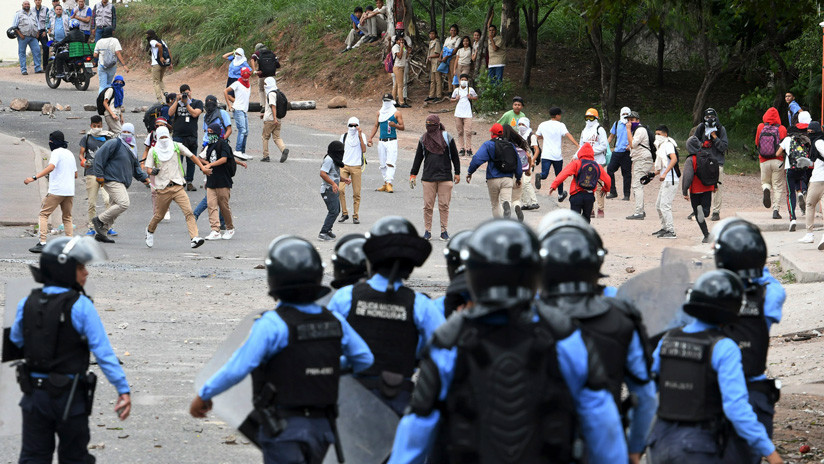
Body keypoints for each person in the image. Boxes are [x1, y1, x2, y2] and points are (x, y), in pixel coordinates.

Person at [388, 219, 627, 463]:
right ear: (535, 270)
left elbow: (418, 426)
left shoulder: (449, 339)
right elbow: (601, 419)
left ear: (473, 272)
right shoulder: (565, 335)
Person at [190, 236, 374, 463]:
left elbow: (238, 367)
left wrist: (205, 394)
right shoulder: (335, 320)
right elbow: (364, 359)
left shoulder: (272, 324)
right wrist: (328, 367)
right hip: (323, 429)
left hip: (284, 429)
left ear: (273, 279)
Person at [537, 210, 656, 463]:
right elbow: (645, 395)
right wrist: (635, 448)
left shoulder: (526, 316)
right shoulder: (621, 317)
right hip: (604, 443)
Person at [7, 236, 131, 463]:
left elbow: (14, 340)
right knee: (74, 457)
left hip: (35, 396)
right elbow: (103, 353)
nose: (86, 273)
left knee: (33, 457)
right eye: (81, 267)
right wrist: (123, 389)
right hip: (69, 397)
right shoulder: (81, 305)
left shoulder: (27, 303)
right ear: (63, 269)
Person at [646, 270, 784, 464]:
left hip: (660, 443)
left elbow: (647, 393)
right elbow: (736, 409)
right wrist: (770, 452)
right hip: (697, 448)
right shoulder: (723, 347)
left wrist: (636, 445)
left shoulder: (667, 340)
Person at [327, 216, 444, 416]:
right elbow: (443, 354)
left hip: (349, 406)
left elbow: (325, 348)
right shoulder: (421, 306)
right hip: (399, 407)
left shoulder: (346, 297)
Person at [713, 219, 785, 462]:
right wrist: (756, 264)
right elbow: (773, 286)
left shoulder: (712, 295)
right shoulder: (770, 295)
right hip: (752, 389)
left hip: (713, 390)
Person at [144, 127, 208, 249]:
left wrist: (203, 168)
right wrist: (153, 171)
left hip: (178, 186)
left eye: (165, 136)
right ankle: (150, 231)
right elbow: (148, 168)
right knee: (159, 215)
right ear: (157, 137)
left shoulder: (176, 146)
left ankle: (194, 238)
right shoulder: (153, 151)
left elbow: (192, 156)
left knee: (189, 212)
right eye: (161, 137)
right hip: (163, 189)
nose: (164, 139)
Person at [91, 123, 150, 244]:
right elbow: (98, 157)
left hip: (122, 181)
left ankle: (102, 233)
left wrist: (145, 179)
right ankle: (99, 220)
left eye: (129, 133)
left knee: (115, 207)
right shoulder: (114, 143)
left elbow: (136, 168)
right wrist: (99, 175)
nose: (126, 134)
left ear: (133, 134)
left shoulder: (132, 148)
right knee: (123, 203)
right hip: (112, 179)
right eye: (125, 132)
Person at [23, 131, 76, 253]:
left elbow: (51, 167)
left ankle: (42, 243)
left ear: (55, 142)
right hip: (69, 191)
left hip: (57, 190)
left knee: (43, 214)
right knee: (67, 217)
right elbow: (75, 174)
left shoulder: (56, 152)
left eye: (51, 141)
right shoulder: (70, 154)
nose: (50, 143)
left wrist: (34, 177)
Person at [410, 114, 461, 240]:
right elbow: (418, 158)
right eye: (427, 125)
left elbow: (455, 156)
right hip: (428, 177)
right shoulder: (423, 139)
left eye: (432, 125)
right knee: (428, 206)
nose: (429, 127)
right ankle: (427, 231)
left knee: (444, 206)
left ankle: (444, 231)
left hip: (445, 177)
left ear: (437, 125)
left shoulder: (447, 137)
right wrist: (413, 174)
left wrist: (457, 173)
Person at [467, 123, 523, 218]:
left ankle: (498, 224)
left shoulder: (488, 145)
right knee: (506, 199)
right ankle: (506, 206)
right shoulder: (510, 145)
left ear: (492, 134)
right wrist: (518, 177)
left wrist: (470, 172)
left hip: (493, 178)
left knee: (495, 204)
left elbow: (477, 159)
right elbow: (518, 162)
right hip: (507, 178)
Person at [549, 143, 610, 223]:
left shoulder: (577, 163)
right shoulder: (597, 166)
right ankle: (585, 234)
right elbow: (608, 180)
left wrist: (554, 186)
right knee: (586, 219)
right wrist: (605, 189)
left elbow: (564, 174)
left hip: (576, 194)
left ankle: (575, 234)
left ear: (580, 152)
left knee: (574, 220)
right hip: (589, 196)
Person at [777, 111, 813, 231]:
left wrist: (785, 153)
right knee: (802, 180)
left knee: (789, 194)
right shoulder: (804, 139)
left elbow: (777, 153)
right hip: (801, 168)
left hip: (789, 168)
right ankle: (801, 192)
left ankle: (792, 218)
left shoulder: (787, 139)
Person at [201, 123, 237, 241]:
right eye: (208, 132)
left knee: (223, 206)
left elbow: (224, 159)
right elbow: (204, 159)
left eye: (211, 132)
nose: (209, 134)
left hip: (223, 180)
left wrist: (210, 164)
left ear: (217, 132)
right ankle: (215, 230)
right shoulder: (209, 146)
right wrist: (206, 166)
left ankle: (230, 228)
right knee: (211, 205)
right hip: (211, 180)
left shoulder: (223, 144)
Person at [535, 107, 579, 202]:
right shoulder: (561, 125)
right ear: (557, 115)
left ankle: (539, 175)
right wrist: (577, 145)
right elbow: (568, 135)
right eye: (560, 115)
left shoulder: (543, 124)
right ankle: (560, 194)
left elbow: (536, 136)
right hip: (557, 156)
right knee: (559, 176)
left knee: (545, 174)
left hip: (546, 155)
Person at [78, 115, 112, 236]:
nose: (97, 128)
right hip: (91, 173)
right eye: (94, 126)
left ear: (102, 125)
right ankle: (92, 227)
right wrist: (83, 161)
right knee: (92, 203)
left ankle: (107, 226)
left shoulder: (107, 137)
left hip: (105, 173)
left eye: (99, 126)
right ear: (91, 125)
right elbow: (81, 154)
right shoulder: (86, 138)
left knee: (108, 200)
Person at [693, 108, 729, 221]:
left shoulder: (721, 129)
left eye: (712, 117)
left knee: (717, 187)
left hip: (717, 162)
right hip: (704, 162)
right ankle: (702, 209)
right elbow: (693, 141)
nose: (710, 119)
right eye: (707, 117)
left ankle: (716, 211)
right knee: (703, 186)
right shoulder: (701, 128)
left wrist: (715, 137)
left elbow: (724, 146)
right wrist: (702, 144)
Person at [682, 135, 717, 243]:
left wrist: (684, 191)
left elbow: (687, 177)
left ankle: (706, 235)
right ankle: (704, 211)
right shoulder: (708, 155)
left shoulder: (690, 159)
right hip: (708, 187)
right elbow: (714, 171)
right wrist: (715, 185)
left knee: (698, 214)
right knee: (705, 211)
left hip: (696, 190)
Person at [169, 84, 204, 190]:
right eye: (184, 93)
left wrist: (186, 103)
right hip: (178, 135)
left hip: (191, 136)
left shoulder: (197, 103)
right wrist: (176, 101)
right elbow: (170, 113)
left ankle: (189, 182)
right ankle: (179, 180)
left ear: (191, 91)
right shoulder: (178, 103)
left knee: (191, 160)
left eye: (187, 92)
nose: (186, 95)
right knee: (177, 160)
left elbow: (194, 114)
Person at [368, 93, 405, 193]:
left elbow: (402, 127)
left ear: (392, 101)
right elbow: (376, 126)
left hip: (391, 141)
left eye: (388, 101)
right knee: (383, 163)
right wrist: (370, 137)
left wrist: (395, 125)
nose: (386, 103)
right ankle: (385, 182)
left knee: (390, 162)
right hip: (381, 141)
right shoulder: (379, 113)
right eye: (385, 101)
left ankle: (389, 183)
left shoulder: (396, 113)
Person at [755, 107, 788, 220]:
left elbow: (756, 143)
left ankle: (766, 189)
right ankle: (775, 211)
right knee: (778, 186)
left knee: (765, 182)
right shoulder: (782, 129)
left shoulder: (760, 127)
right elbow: (784, 147)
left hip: (763, 160)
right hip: (777, 160)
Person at [798, 121, 824, 249]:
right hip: (817, 177)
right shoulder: (819, 141)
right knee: (811, 204)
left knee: (810, 204)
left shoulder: (818, 142)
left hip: (819, 179)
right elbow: (818, 159)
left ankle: (810, 234)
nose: (809, 134)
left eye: (810, 132)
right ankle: (810, 234)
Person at [579, 108, 610, 218]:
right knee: (587, 185)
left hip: (599, 162)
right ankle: (590, 209)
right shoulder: (584, 130)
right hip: (586, 163)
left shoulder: (600, 130)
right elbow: (581, 146)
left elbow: (603, 145)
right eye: (587, 117)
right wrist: (576, 156)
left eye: (591, 117)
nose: (589, 120)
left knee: (599, 185)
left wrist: (591, 151)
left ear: (596, 118)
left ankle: (600, 209)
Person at [338, 117, 368, 224]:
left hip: (356, 166)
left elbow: (364, 150)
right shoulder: (344, 136)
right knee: (340, 190)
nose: (353, 128)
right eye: (351, 125)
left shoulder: (362, 136)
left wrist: (360, 135)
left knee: (356, 193)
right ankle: (344, 213)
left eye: (356, 125)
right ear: (347, 126)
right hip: (344, 165)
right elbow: (339, 150)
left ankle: (355, 215)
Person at [651, 125, 679, 238]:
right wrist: (653, 174)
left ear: (665, 134)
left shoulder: (668, 145)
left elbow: (674, 159)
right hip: (666, 179)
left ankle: (671, 231)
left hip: (670, 180)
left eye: (659, 134)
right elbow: (664, 165)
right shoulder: (661, 147)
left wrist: (665, 173)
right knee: (658, 205)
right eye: (656, 134)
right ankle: (664, 228)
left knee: (664, 205)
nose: (657, 136)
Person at [625, 111, 654, 220]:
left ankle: (639, 212)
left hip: (642, 159)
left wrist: (628, 130)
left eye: (632, 120)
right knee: (637, 185)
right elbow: (633, 144)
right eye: (628, 120)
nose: (629, 122)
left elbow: (633, 144)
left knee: (637, 185)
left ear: (638, 120)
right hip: (641, 159)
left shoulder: (640, 130)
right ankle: (640, 209)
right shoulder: (637, 130)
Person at [319, 141, 349, 241]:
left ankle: (328, 230)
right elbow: (323, 173)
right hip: (328, 190)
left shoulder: (334, 159)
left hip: (333, 189)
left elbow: (334, 175)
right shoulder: (328, 160)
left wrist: (344, 179)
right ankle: (323, 233)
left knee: (336, 211)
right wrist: (333, 184)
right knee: (333, 211)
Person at [503, 124, 531, 222]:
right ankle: (517, 207)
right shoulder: (519, 144)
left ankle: (506, 209)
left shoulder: (502, 145)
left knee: (505, 197)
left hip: (506, 176)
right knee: (516, 198)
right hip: (519, 175)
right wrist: (528, 170)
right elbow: (528, 156)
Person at [261, 76, 290, 163]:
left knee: (265, 137)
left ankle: (266, 156)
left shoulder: (271, 94)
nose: (265, 85)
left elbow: (273, 106)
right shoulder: (278, 92)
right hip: (278, 118)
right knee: (277, 137)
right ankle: (283, 149)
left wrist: (274, 119)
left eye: (266, 83)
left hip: (271, 119)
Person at [225, 67, 252, 160]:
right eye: (244, 74)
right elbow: (226, 91)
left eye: (247, 74)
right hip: (238, 109)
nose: (245, 76)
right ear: (241, 74)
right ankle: (238, 150)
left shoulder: (248, 84)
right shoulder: (237, 83)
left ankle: (242, 152)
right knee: (242, 130)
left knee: (246, 131)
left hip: (244, 110)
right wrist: (229, 105)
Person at [607, 106, 632, 200]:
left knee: (626, 174)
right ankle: (613, 192)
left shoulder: (632, 125)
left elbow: (637, 138)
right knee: (609, 170)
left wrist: (631, 145)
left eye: (627, 114)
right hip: (617, 152)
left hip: (627, 153)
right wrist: (605, 146)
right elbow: (611, 136)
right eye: (623, 114)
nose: (625, 116)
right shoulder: (617, 123)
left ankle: (626, 195)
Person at [450, 73, 478, 156]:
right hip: (458, 113)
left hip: (468, 113)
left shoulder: (470, 90)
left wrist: (471, 97)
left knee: (468, 131)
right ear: (459, 81)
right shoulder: (456, 90)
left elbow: (476, 97)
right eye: (462, 80)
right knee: (460, 131)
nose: (463, 81)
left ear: (467, 81)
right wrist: (456, 99)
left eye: (465, 80)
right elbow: (451, 99)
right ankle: (461, 148)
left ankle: (469, 148)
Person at [93, 26, 127, 92]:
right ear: (111, 32)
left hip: (102, 65)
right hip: (112, 66)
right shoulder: (115, 41)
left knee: (102, 86)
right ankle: (107, 99)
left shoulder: (99, 41)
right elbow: (118, 52)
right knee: (108, 84)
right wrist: (124, 65)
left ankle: (101, 100)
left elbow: (95, 55)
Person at [517, 117, 540, 210]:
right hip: (520, 162)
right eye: (519, 124)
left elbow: (536, 149)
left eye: (523, 124)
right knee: (520, 182)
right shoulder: (518, 136)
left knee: (526, 182)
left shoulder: (531, 136)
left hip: (529, 162)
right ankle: (526, 203)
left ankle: (534, 202)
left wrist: (533, 160)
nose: (521, 127)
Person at [13, 1, 42, 75]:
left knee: (37, 51)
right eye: (25, 4)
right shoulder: (18, 14)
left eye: (28, 4)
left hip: (33, 36)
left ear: (30, 5)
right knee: (22, 53)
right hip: (23, 37)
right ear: (22, 5)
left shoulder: (33, 13)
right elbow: (14, 26)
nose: (27, 5)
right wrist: (20, 34)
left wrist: (38, 33)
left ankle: (38, 68)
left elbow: (38, 24)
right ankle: (23, 70)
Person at [250, 43, 279, 111]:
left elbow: (252, 59)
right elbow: (277, 64)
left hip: (262, 75)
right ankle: (273, 104)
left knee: (261, 89)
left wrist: (254, 71)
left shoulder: (257, 53)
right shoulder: (271, 52)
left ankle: (263, 106)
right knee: (272, 90)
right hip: (272, 75)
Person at [145, 30, 169, 103]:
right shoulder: (161, 40)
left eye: (147, 35)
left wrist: (161, 57)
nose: (146, 36)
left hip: (156, 64)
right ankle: (166, 93)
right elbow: (168, 50)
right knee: (160, 80)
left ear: (150, 35)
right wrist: (170, 62)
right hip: (164, 64)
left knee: (155, 82)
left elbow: (159, 46)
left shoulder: (152, 41)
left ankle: (160, 100)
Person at [441, 24, 461, 92]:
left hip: (452, 58)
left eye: (454, 30)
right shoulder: (447, 39)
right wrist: (441, 57)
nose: (453, 32)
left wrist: (447, 57)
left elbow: (455, 50)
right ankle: (450, 91)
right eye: (452, 30)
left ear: (457, 31)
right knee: (448, 74)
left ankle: (455, 91)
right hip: (445, 58)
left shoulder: (458, 38)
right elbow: (443, 48)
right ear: (450, 31)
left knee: (453, 74)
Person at [391, 35, 410, 108]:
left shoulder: (403, 47)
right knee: (400, 85)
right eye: (399, 40)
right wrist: (401, 47)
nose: (401, 41)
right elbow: (399, 56)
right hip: (398, 67)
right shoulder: (395, 47)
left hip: (402, 66)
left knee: (396, 85)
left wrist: (408, 52)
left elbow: (405, 57)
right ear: (396, 41)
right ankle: (401, 102)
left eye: (402, 40)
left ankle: (393, 101)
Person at [425, 30, 442, 102]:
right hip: (432, 62)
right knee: (432, 80)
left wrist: (430, 56)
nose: (431, 35)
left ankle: (438, 95)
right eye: (430, 34)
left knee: (437, 79)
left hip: (436, 62)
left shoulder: (436, 42)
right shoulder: (431, 42)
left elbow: (438, 54)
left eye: (433, 34)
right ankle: (431, 95)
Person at [32, 0, 51, 67]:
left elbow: (48, 21)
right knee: (35, 49)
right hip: (35, 32)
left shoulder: (46, 9)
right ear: (34, 1)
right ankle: (37, 66)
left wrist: (46, 31)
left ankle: (45, 66)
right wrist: (34, 32)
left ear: (41, 1)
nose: (38, 1)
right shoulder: (31, 10)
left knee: (46, 47)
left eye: (39, 0)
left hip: (43, 32)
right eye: (36, 0)